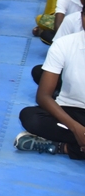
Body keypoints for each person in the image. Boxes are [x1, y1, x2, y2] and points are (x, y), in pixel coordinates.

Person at [15, 18, 85, 158]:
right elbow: (43, 96)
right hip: (70, 110)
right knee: (30, 117)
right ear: (82, 17)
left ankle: (63, 148)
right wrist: (75, 127)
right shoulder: (65, 44)